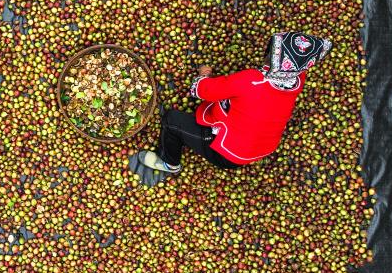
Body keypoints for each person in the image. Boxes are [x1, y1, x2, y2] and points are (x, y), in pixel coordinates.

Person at [139, 31, 333, 174]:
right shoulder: (297, 80)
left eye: (272, 51)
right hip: (261, 147)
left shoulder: (252, 80)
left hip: (230, 153)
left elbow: (199, 90)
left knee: (171, 120)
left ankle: (169, 163)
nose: (267, 53)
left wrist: (203, 75)